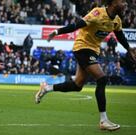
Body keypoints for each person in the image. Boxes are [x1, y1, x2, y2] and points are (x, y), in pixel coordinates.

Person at [35, 0, 136, 131]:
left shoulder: (117, 20)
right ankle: (103, 121)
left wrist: (129, 49)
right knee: (102, 78)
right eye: (122, 1)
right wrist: (56, 31)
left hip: (93, 51)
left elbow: (120, 35)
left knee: (77, 85)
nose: (125, 4)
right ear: (113, 3)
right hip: (82, 47)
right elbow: (77, 25)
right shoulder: (97, 13)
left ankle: (47, 88)